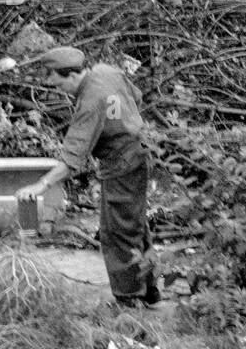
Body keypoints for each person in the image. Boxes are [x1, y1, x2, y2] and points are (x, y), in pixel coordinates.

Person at [16, 46, 161, 305]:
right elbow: (136, 97)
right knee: (134, 224)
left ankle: (129, 300)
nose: (57, 88)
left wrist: (42, 184)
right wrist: (121, 124)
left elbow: (73, 157)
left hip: (122, 164)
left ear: (71, 75)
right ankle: (149, 292)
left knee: (116, 232)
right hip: (139, 152)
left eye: (58, 82)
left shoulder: (91, 101)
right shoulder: (107, 72)